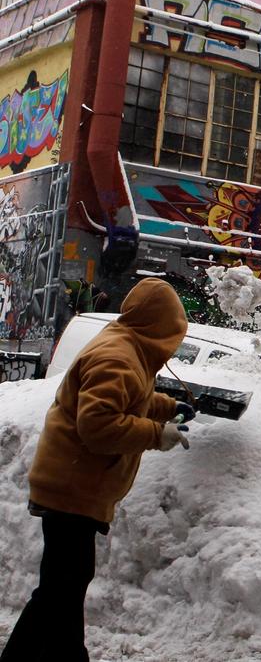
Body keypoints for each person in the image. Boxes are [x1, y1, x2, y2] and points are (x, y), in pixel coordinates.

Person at [1, 278, 196, 662]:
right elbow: (99, 426)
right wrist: (159, 434)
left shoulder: (128, 347)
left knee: (62, 586)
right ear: (158, 327)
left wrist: (167, 408)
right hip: (72, 486)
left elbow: (131, 397)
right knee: (62, 587)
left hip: (75, 484)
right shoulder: (118, 356)